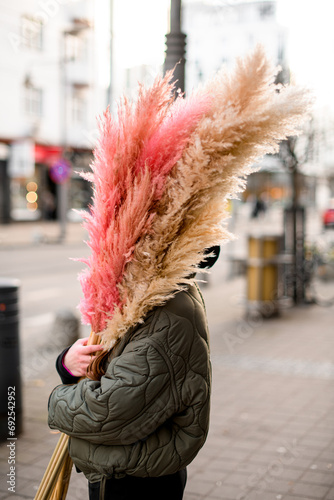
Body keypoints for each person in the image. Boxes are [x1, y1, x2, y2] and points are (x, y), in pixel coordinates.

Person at [48, 247, 220, 500]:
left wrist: (56, 399)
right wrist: (66, 364)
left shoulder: (168, 310)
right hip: (125, 468)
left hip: (136, 480)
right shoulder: (146, 297)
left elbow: (107, 413)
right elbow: (110, 371)